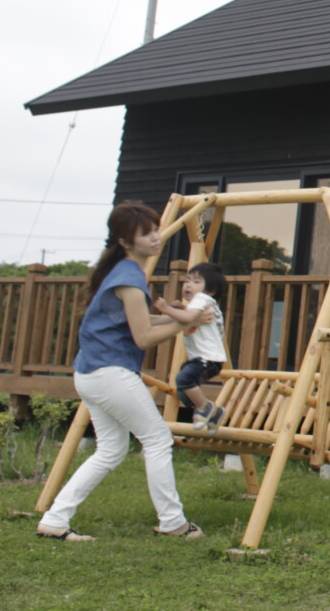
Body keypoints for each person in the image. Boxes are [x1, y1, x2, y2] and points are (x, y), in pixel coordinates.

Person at [36, 202, 204, 542]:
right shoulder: (129, 277)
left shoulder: (121, 271)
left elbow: (137, 320)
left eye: (156, 230)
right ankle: (173, 523)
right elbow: (143, 336)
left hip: (91, 374)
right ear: (125, 242)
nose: (156, 238)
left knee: (111, 450)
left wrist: (179, 318)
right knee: (157, 439)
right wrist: (185, 323)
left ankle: (55, 520)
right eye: (146, 234)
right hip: (109, 373)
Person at [153, 261, 228, 429]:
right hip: (207, 360)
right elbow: (188, 316)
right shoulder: (203, 303)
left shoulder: (202, 299)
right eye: (187, 280)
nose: (188, 285)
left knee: (184, 379)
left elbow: (188, 318)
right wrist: (180, 309)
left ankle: (205, 407)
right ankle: (215, 413)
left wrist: (166, 308)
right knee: (183, 390)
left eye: (196, 281)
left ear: (210, 290)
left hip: (207, 358)